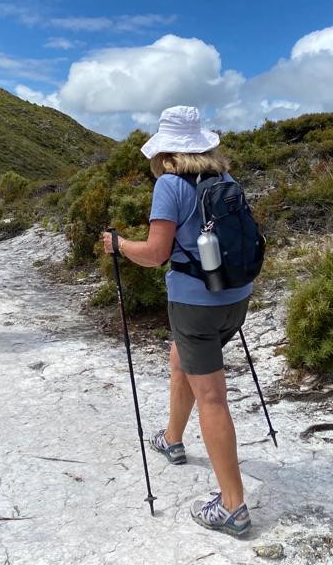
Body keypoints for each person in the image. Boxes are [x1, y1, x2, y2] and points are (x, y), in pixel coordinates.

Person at [100, 105, 253, 537]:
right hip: (236, 296)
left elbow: (154, 254)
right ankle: (172, 438)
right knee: (180, 360)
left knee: (213, 398)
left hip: (194, 303)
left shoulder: (170, 184)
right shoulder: (226, 179)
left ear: (165, 151)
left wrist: (118, 244)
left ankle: (232, 505)